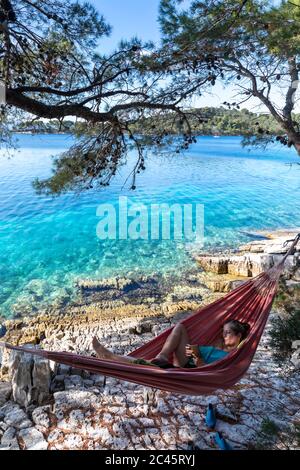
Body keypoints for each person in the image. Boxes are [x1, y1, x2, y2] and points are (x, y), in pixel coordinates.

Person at [92, 319, 250, 369]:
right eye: (223, 331)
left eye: (227, 333)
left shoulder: (232, 355)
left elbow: (205, 368)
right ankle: (162, 355)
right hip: (187, 356)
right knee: (180, 326)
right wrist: (193, 351)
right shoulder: (220, 343)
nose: (223, 335)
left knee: (149, 365)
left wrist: (196, 356)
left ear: (238, 335)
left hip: (190, 366)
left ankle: (110, 356)